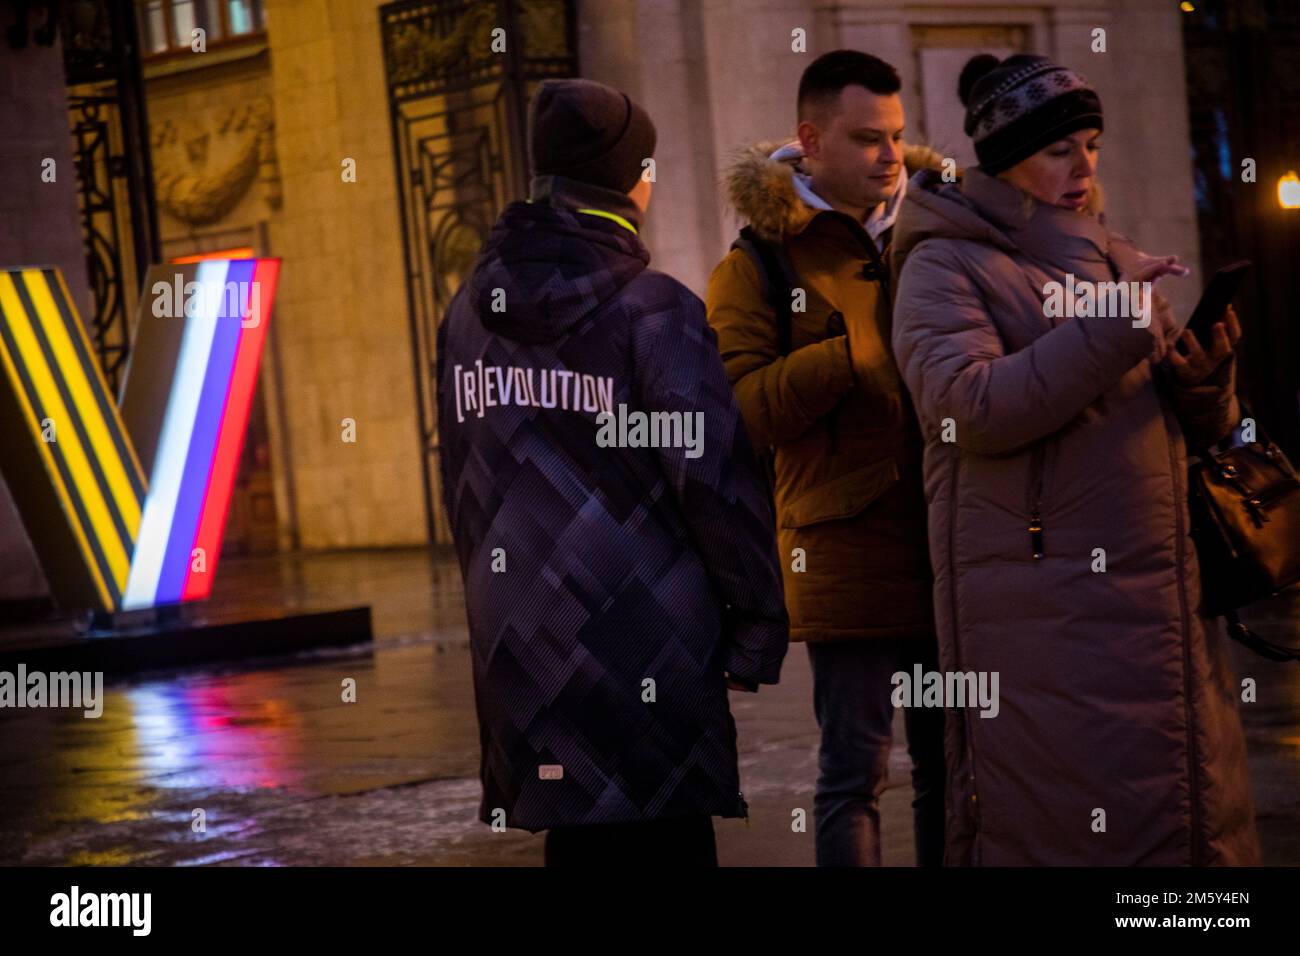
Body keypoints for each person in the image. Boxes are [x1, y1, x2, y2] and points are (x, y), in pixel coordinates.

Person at [890, 53, 1261, 865]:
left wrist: (1205, 385)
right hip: (1049, 604)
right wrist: (1114, 328)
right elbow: (965, 409)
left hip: (1164, 593)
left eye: (1091, 143)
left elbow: (1159, 421)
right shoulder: (942, 263)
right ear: (1004, 157)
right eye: (1061, 149)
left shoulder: (1109, 253)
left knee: (1182, 819)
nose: (1084, 166)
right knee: (1074, 818)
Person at [436, 78, 789, 867]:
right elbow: (714, 481)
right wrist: (757, 623)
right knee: (663, 839)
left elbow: (456, 482)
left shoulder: (465, 314)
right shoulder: (652, 308)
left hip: (522, 643)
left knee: (579, 842)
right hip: (646, 648)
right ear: (636, 182)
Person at [706, 50, 945, 866]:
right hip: (847, 557)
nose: (891, 156)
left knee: (957, 770)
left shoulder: (937, 231)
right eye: (868, 138)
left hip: (953, 544)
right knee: (855, 776)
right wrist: (851, 356)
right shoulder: (759, 264)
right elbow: (737, 412)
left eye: (899, 137)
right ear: (810, 139)